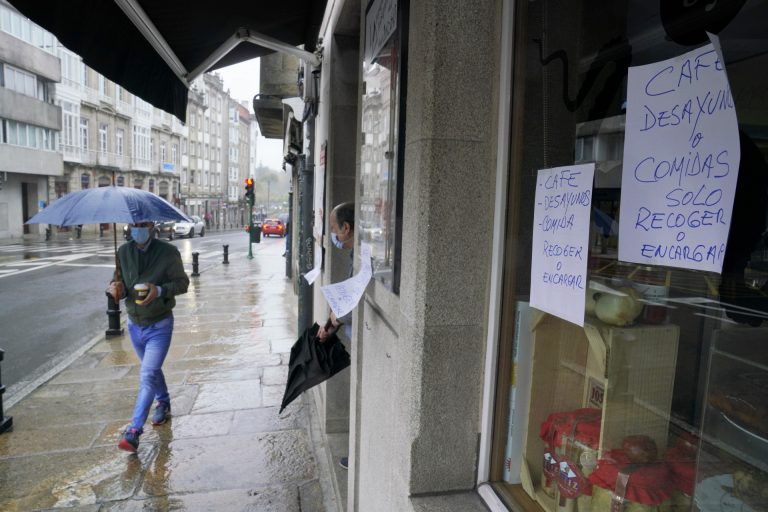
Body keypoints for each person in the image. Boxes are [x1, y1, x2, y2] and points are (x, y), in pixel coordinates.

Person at [108, 221, 189, 453]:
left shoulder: (168, 252)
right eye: (134, 225)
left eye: (142, 225)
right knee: (151, 369)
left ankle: (134, 431)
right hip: (134, 324)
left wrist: (160, 290)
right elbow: (119, 282)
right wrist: (116, 289)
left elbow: (183, 283)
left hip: (159, 324)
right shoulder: (123, 251)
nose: (138, 229)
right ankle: (163, 401)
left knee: (147, 373)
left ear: (152, 226)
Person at [317, 202, 355, 470]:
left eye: (334, 229)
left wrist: (333, 321)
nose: (333, 235)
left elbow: (354, 300)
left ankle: (358, 458)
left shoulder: (363, 255)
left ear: (346, 228)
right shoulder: (356, 254)